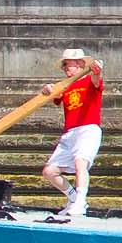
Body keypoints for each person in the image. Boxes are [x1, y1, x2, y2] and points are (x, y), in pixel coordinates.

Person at [40, 48, 104, 223]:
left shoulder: (90, 80)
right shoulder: (65, 85)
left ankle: (81, 201)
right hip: (70, 132)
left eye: (68, 64)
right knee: (49, 171)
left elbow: (97, 79)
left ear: (79, 65)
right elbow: (55, 94)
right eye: (64, 65)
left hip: (88, 128)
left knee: (80, 163)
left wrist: (97, 71)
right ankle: (74, 198)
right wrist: (48, 90)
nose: (65, 68)